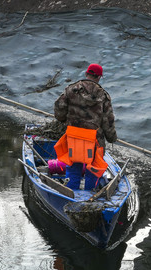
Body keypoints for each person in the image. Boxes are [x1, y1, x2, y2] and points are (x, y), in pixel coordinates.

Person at [53, 63, 117, 191]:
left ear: (86, 73)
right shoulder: (103, 96)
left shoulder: (71, 90)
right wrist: (112, 138)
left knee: (73, 166)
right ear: (99, 77)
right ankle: (90, 195)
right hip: (94, 140)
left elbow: (59, 109)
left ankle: (70, 192)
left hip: (74, 136)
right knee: (93, 168)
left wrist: (64, 119)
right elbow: (108, 121)